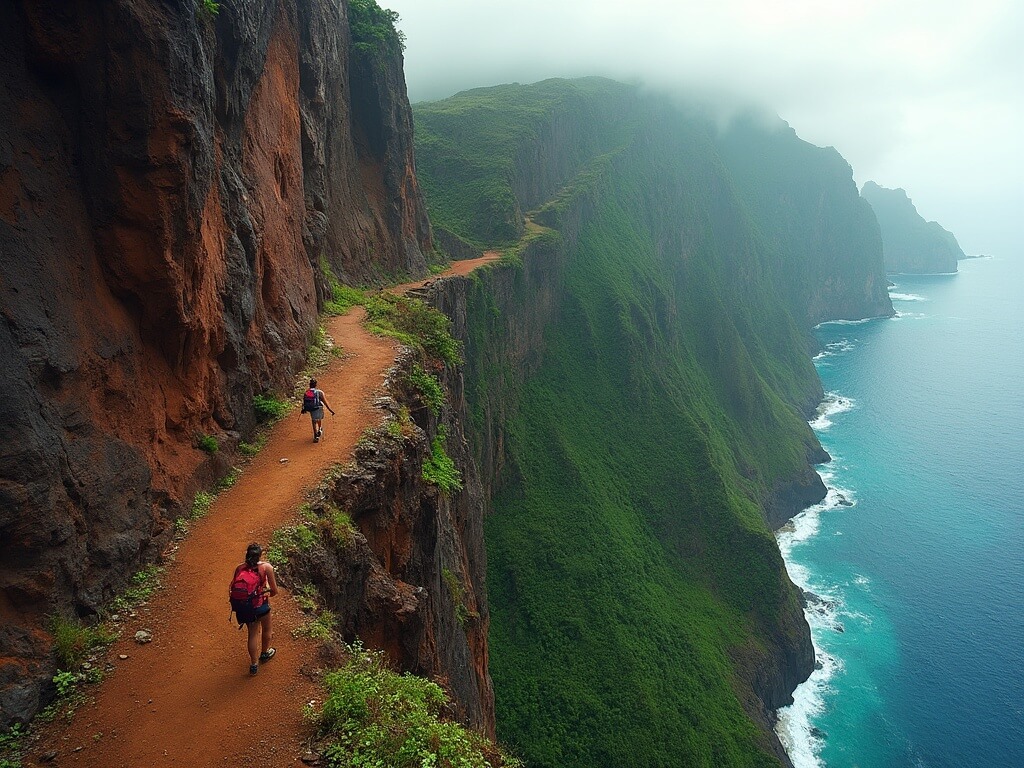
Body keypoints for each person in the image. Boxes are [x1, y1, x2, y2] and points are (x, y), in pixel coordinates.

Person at [230, 543, 278, 675]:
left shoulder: (239, 568)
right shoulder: (266, 567)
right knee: (267, 629)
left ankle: (253, 665)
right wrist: (267, 593)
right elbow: (274, 591)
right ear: (260, 555)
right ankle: (265, 653)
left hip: (245, 607)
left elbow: (233, 587)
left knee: (252, 634)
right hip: (260, 606)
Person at [303, 378, 335, 442]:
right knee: (318, 419)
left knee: (314, 420)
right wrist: (331, 410)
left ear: (310, 385)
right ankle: (319, 430)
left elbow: (304, 402)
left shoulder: (307, 392)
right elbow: (325, 402)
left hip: (311, 409)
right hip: (319, 408)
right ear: (316, 385)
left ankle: (315, 435)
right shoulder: (319, 392)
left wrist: (303, 409)